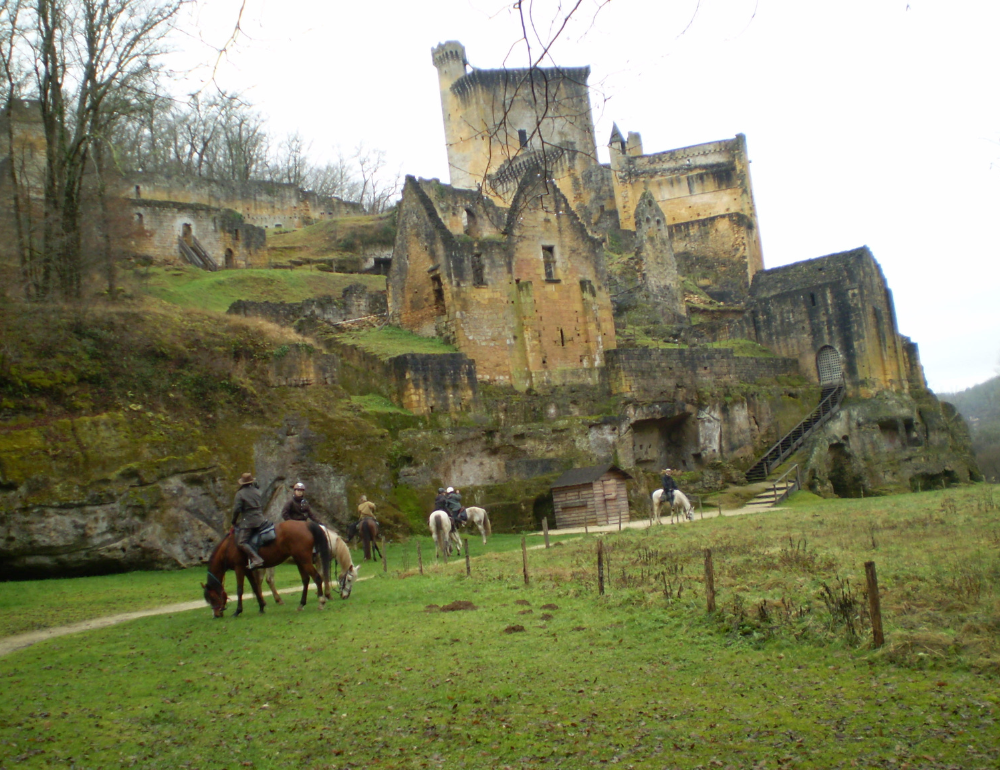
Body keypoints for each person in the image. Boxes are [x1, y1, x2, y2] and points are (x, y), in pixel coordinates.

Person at [232, 472, 268, 569]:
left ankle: (256, 559)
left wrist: (233, 522)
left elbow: (236, 510)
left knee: (241, 542)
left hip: (249, 522)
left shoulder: (240, 494)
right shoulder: (257, 492)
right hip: (261, 519)